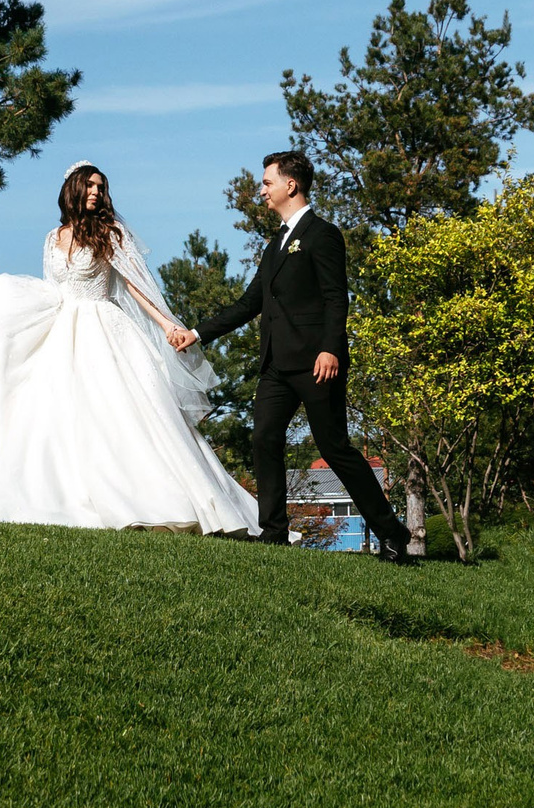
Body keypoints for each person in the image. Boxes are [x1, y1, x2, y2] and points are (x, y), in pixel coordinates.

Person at [0, 163, 261, 533]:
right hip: (61, 333)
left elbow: (136, 286)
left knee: (120, 414)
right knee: (52, 417)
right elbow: (50, 287)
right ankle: (55, 498)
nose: (95, 192)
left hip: (104, 330)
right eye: (89, 185)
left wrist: (168, 325)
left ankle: (149, 499)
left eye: (101, 187)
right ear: (72, 189)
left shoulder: (112, 233)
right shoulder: (52, 237)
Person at [175, 150, 419, 566]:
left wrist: (330, 348)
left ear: (291, 185)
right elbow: (249, 302)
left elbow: (334, 298)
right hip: (275, 366)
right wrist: (196, 333)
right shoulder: (274, 246)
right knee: (264, 439)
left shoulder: (323, 234)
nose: (262, 190)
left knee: (335, 447)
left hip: (317, 363)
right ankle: (273, 535)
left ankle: (393, 533)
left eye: (267, 182)